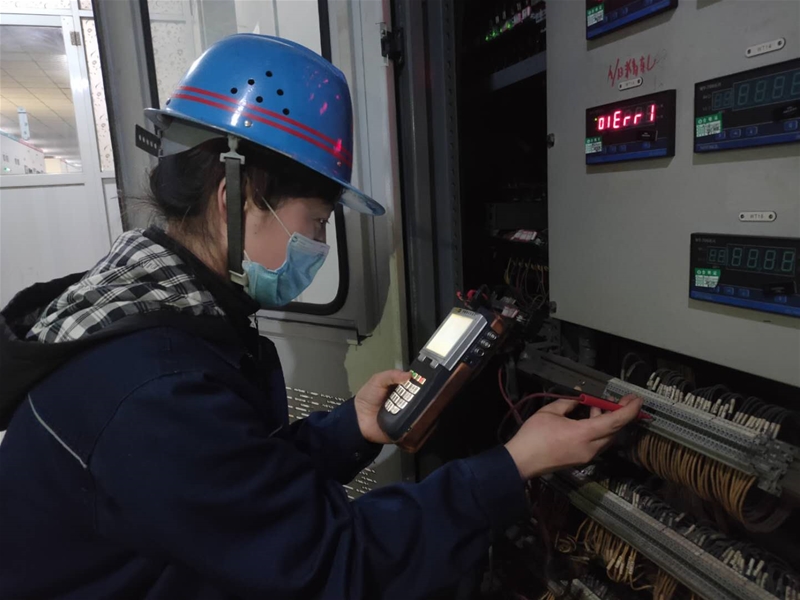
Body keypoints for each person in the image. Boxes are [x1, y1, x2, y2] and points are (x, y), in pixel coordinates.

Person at [0, 35, 642, 599]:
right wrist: (512, 465)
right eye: (316, 222)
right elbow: (333, 565)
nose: (318, 244)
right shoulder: (150, 388)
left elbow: (238, 487)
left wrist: (351, 429)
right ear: (236, 198)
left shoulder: (147, 309)